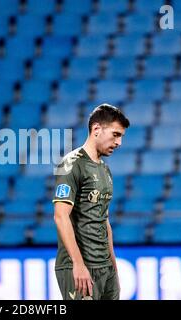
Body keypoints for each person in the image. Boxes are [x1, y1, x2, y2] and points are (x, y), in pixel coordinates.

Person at [53, 104, 130, 300]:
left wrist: (112, 266)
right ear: (97, 129)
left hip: (105, 267)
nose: (119, 142)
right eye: (115, 134)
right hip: (80, 267)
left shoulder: (105, 170)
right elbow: (61, 216)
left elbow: (104, 219)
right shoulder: (71, 164)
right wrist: (78, 264)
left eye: (121, 136)